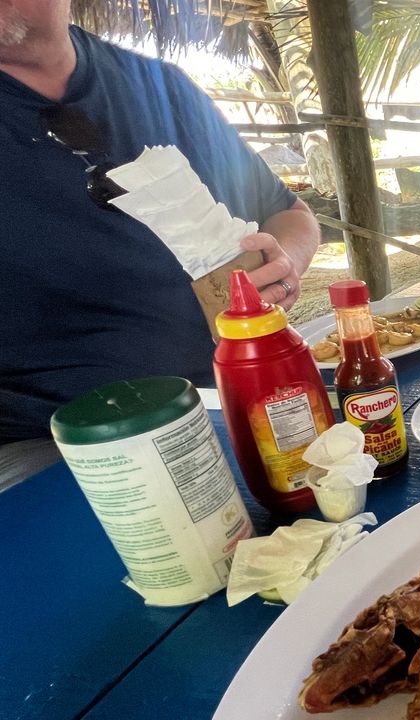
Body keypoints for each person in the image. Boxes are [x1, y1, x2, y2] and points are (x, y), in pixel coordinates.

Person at [0, 0, 320, 485]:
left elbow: (289, 214)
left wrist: (284, 263)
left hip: (230, 399)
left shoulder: (161, 88)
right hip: (52, 444)